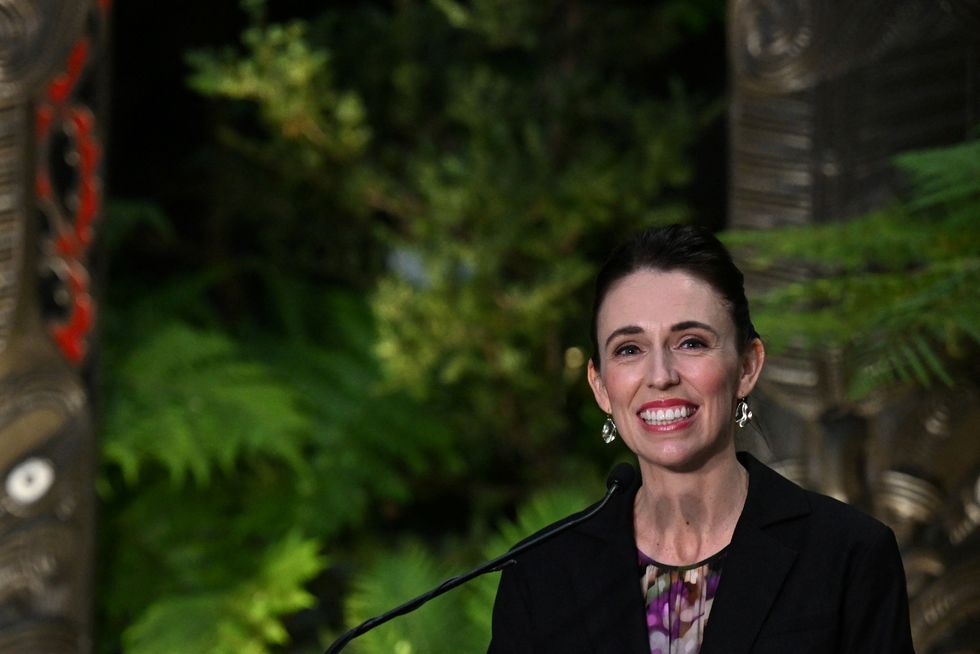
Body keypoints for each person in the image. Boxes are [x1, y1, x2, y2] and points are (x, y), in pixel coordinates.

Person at [487, 224, 915, 654]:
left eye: (691, 342)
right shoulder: (539, 574)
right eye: (629, 349)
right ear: (600, 386)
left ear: (747, 366)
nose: (660, 376)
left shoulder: (848, 556)